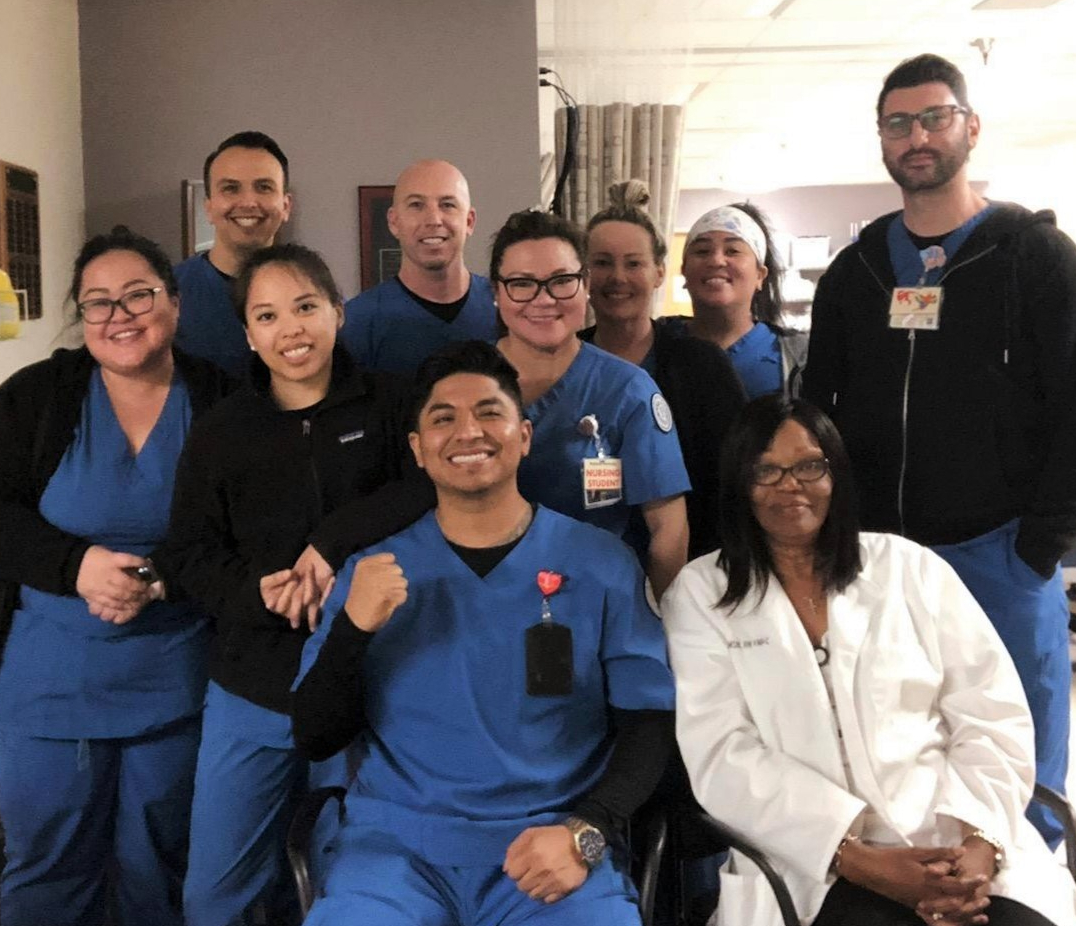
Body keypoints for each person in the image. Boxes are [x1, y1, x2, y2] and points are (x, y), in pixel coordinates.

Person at [292, 340, 676, 925]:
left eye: (489, 413)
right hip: (396, 855)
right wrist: (352, 630)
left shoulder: (602, 565)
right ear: (418, 451)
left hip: (552, 847)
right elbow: (315, 736)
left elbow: (648, 726)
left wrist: (587, 835)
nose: (468, 431)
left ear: (524, 436)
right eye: (443, 419)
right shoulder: (370, 573)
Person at [663, 395, 1076, 926]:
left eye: (810, 465)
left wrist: (976, 846)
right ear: (739, 484)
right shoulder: (702, 594)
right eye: (766, 470)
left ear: (836, 474)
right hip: (812, 862)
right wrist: (856, 858)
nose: (790, 485)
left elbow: (990, 713)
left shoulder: (910, 569)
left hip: (955, 845)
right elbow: (722, 754)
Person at [802, 53, 1076, 844]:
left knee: (1019, 733)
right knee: (900, 731)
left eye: (934, 117)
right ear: (881, 139)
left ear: (970, 128)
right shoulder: (854, 273)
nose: (916, 136)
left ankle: (1026, 873)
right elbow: (821, 411)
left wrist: (1041, 544)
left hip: (1002, 551)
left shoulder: (1033, 259)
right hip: (883, 555)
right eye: (898, 122)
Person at [164, 243, 434, 926]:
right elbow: (189, 553)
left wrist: (332, 540)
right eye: (268, 315)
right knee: (214, 894)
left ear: (339, 312)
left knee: (345, 886)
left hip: (368, 684)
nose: (292, 330)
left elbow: (429, 486)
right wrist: (257, 593)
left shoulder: (391, 403)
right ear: (249, 335)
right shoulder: (223, 431)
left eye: (307, 306)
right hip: (252, 684)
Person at [0, 227, 230, 926]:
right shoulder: (37, 398)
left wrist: (165, 578)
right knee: (46, 864)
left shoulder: (222, 401)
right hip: (53, 680)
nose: (118, 316)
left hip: (175, 675)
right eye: (98, 302)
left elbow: (252, 531)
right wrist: (76, 566)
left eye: (138, 295)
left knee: (156, 867)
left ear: (175, 303)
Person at [492, 208, 690, 597]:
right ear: (497, 294)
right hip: (482, 598)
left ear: (585, 286)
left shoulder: (628, 390)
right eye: (522, 283)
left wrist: (650, 623)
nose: (544, 299)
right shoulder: (461, 382)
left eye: (561, 281)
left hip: (598, 603)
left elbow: (669, 529)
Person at [581, 180, 747, 558]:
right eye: (602, 263)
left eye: (633, 263)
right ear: (584, 275)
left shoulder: (702, 366)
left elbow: (735, 481)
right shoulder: (565, 363)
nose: (618, 278)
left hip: (696, 567)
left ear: (658, 273)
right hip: (586, 571)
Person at [340, 159, 499, 373]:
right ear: (394, 222)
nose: (433, 219)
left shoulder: (505, 308)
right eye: (416, 205)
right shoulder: (356, 323)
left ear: (469, 221)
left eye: (447, 205)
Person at [175, 130, 293, 377]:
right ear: (208, 207)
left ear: (285, 206)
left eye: (264, 187)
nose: (249, 202)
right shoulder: (168, 295)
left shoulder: (314, 294)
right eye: (230, 188)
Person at [672, 201, 806, 399]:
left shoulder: (798, 356)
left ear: (760, 275)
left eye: (732, 251)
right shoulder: (655, 343)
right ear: (684, 272)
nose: (716, 260)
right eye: (702, 251)